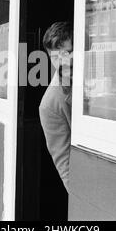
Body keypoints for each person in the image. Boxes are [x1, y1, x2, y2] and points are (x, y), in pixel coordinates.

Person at [39, 22, 73, 192]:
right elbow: (64, 164)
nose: (63, 61)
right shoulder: (49, 104)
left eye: (68, 53)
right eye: (56, 56)